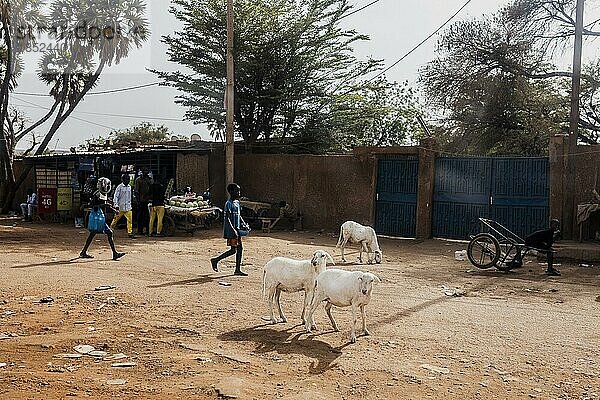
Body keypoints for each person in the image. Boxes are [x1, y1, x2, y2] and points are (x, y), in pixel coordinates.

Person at [80, 177, 125, 261]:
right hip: (97, 217)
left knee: (93, 234)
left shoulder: (101, 193)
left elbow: (104, 203)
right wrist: (108, 207)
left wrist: (112, 208)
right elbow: (94, 205)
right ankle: (114, 254)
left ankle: (83, 252)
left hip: (99, 217)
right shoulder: (97, 194)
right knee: (108, 233)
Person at [210, 183, 248, 276]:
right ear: (231, 192)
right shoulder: (228, 204)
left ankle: (237, 269)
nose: (239, 193)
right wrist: (233, 230)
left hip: (237, 229)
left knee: (238, 249)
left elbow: (239, 216)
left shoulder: (237, 203)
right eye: (237, 191)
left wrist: (244, 224)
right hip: (232, 230)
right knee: (234, 250)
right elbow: (227, 218)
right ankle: (216, 260)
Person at [111, 174, 134, 238]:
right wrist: (116, 205)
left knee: (130, 220)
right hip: (120, 207)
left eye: (128, 180)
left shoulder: (129, 187)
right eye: (126, 179)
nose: (128, 181)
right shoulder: (119, 187)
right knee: (115, 220)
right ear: (123, 180)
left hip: (128, 207)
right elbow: (116, 196)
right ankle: (110, 229)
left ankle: (130, 232)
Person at [134, 168, 152, 236]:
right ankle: (140, 230)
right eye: (144, 171)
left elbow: (151, 189)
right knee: (140, 217)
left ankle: (147, 230)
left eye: (146, 171)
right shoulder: (138, 180)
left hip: (147, 201)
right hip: (140, 201)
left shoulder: (149, 180)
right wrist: (138, 201)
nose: (145, 173)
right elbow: (136, 191)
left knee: (147, 217)